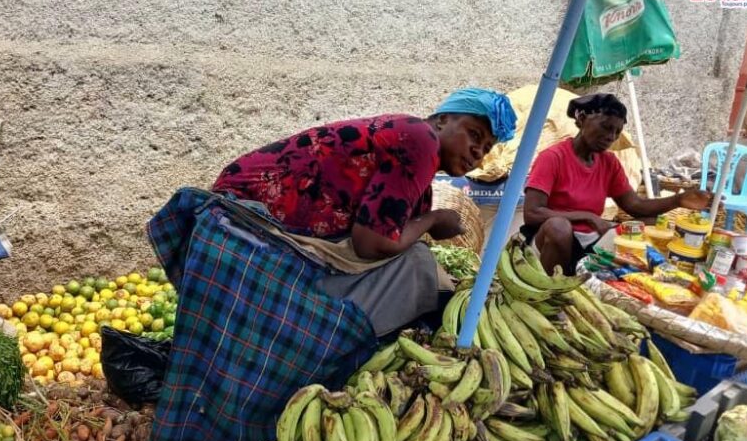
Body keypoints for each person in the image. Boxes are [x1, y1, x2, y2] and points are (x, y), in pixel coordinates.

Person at [212, 87, 517, 336]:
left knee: (416, 266)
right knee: (418, 266)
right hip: (240, 218)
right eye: (474, 135)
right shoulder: (420, 139)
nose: (478, 152)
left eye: (487, 148)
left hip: (258, 225)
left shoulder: (418, 158)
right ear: (441, 121)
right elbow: (372, 243)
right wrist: (433, 220)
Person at [523, 93, 714, 276]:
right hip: (551, 242)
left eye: (616, 132)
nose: (611, 137)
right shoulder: (553, 158)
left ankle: (594, 278)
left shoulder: (609, 162)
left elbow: (636, 206)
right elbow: (532, 213)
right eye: (606, 127)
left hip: (590, 239)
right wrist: (587, 216)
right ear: (581, 119)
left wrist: (679, 199)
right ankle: (551, 289)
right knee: (559, 227)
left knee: (650, 223)